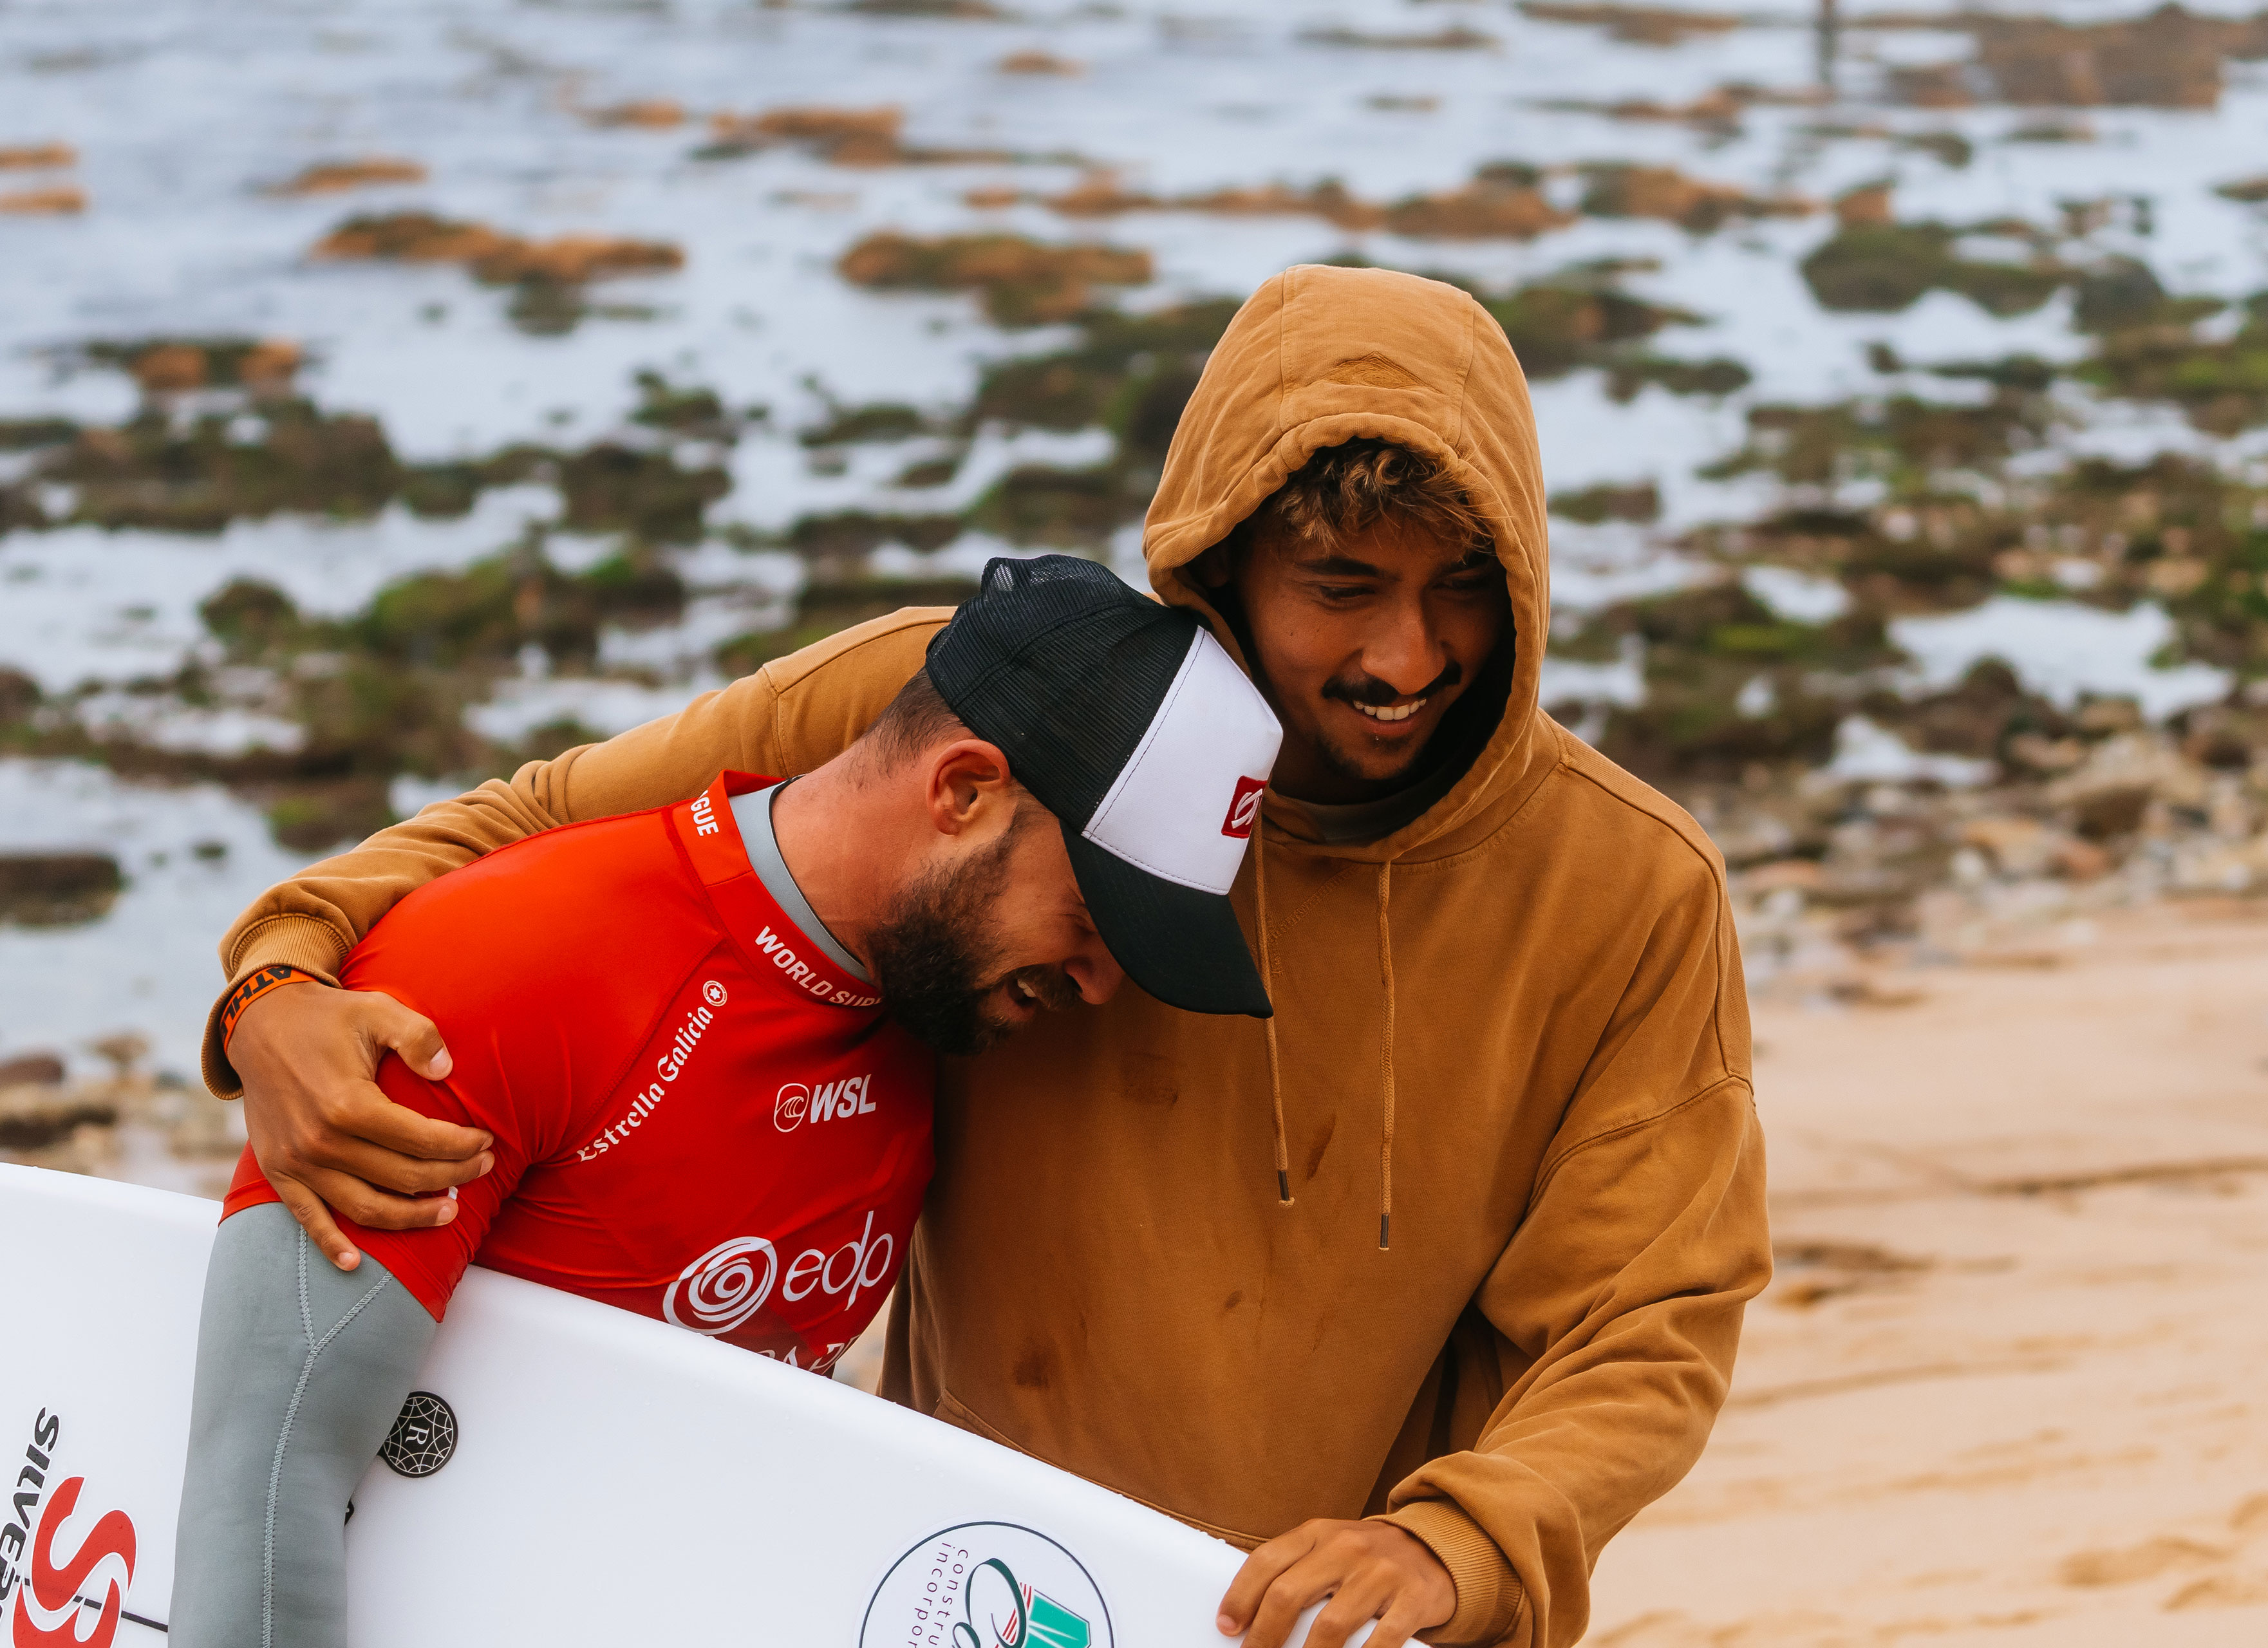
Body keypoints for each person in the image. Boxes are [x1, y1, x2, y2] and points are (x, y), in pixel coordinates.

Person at [207, 264, 1772, 1648]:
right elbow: (536, 829)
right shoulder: (969, 711)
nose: (1403, 660)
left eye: (1464, 593)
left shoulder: (1626, 891)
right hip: (950, 1589)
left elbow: (1656, 1314)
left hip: (1336, 1627)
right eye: (1343, 589)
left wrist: (1461, 1537)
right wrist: (279, 979)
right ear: (1223, 564)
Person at [169, 556, 1282, 1648]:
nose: (1097, 984)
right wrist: (269, 978)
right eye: (1094, 920)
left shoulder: (914, 1015)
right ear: (961, 790)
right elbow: (264, 1495)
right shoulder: (508, 970)